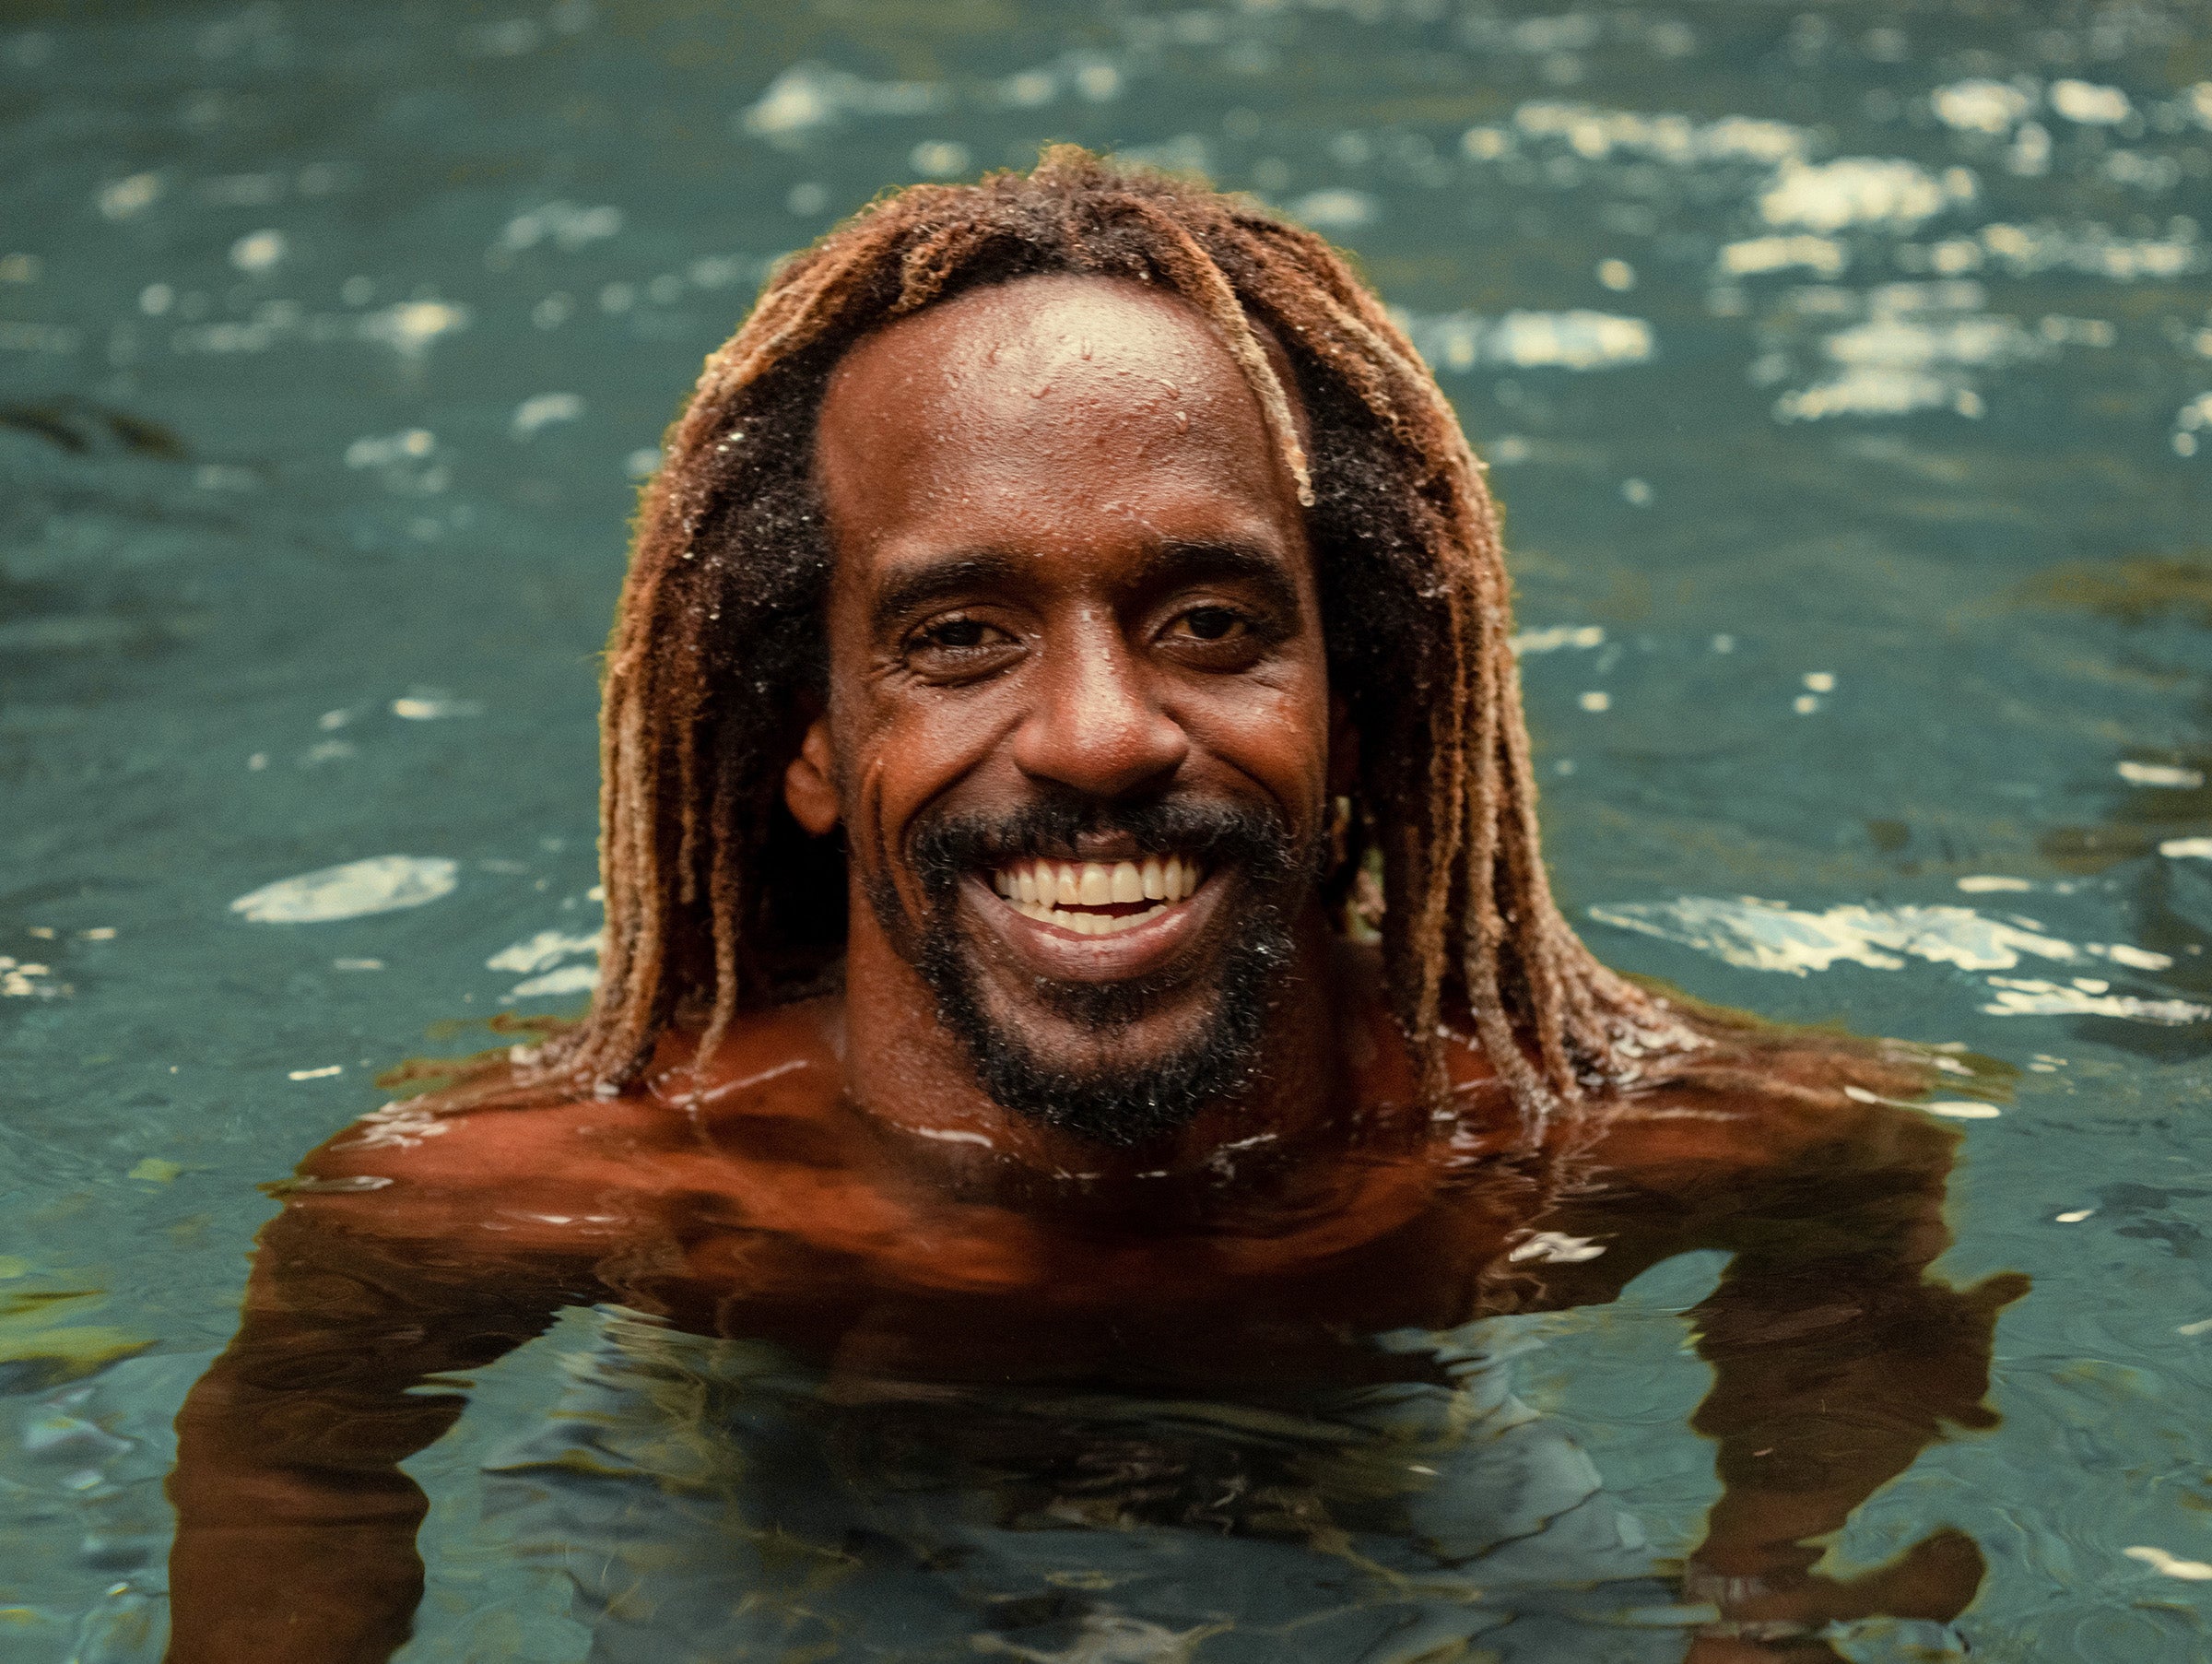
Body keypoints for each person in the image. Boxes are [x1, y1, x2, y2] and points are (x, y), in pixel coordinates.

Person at [165, 150, 2022, 1663]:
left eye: (1210, 625)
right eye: (957, 637)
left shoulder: (1561, 1137)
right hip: (787, 1506)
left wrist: (1771, 1598)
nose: (1102, 734)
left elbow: (1852, 1184)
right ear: (813, 742)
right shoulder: (582, 1190)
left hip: (1386, 1499)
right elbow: (297, 1461)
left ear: (1357, 719)